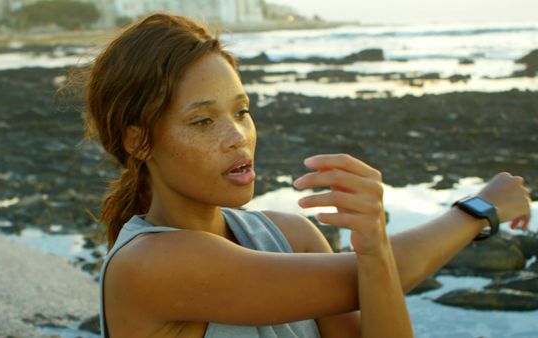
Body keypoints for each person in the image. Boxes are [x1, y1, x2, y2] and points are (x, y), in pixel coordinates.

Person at [81, 13, 532, 338]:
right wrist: (477, 209)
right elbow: (367, 278)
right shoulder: (149, 265)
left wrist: (374, 247)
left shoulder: (290, 235)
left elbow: (374, 281)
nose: (237, 137)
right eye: (203, 121)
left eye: (242, 112)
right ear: (138, 141)